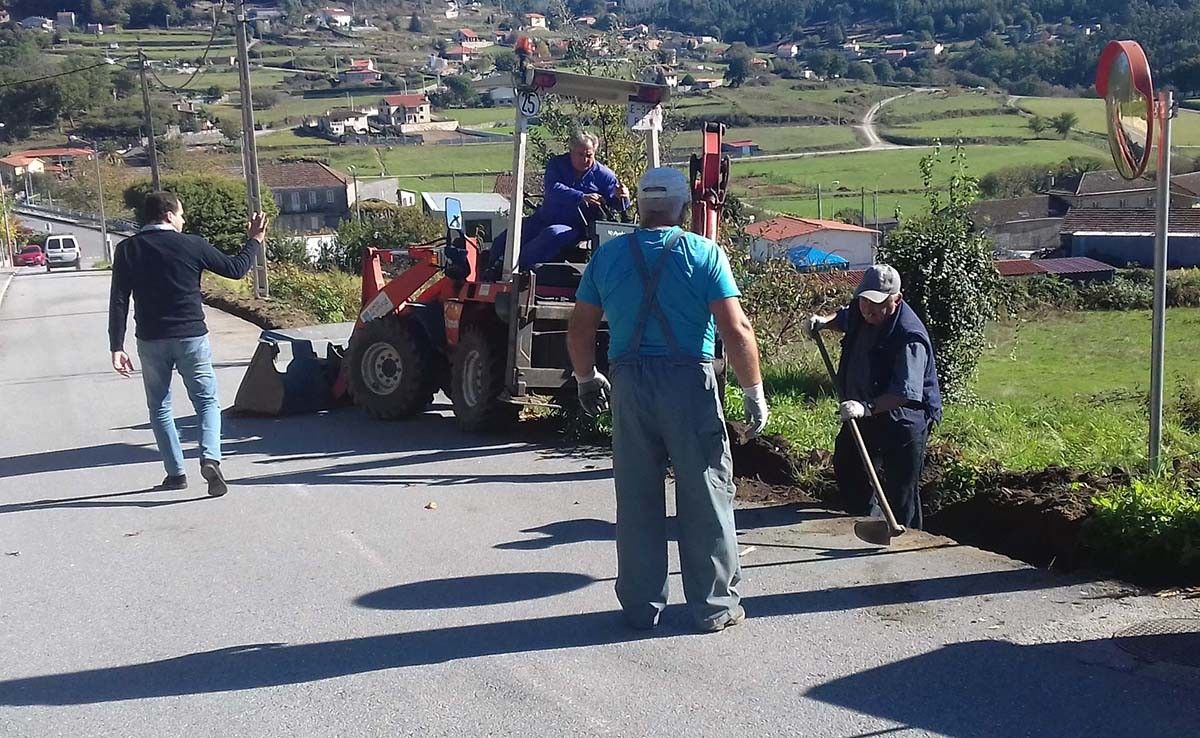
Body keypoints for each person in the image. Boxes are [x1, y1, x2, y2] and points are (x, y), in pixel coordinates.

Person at [567, 167, 768, 633]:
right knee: (705, 494)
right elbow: (736, 330)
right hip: (688, 385)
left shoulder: (608, 256)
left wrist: (584, 378)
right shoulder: (705, 254)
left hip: (629, 386)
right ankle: (714, 606)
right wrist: (753, 392)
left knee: (637, 498)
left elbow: (580, 330)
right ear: (684, 208)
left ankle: (640, 607)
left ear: (640, 206)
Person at [108, 191, 269, 496]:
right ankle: (209, 457)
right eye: (180, 214)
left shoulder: (127, 249)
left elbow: (119, 300)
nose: (183, 220)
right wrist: (254, 240)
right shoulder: (192, 244)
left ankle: (176, 474)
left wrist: (117, 346)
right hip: (191, 337)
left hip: (151, 339)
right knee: (206, 401)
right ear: (169, 214)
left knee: (159, 407)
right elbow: (235, 270)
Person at [805, 265, 942, 530]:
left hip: (903, 418)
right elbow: (846, 317)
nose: (869, 309)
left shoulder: (909, 337)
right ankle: (865, 520)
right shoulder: (862, 310)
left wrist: (866, 408)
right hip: (863, 409)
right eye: (865, 300)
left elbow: (904, 393)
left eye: (878, 303)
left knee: (900, 488)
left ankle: (908, 538)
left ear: (897, 299)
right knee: (847, 464)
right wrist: (824, 322)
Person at [486, 129, 630, 274]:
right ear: (571, 151)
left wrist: (622, 196)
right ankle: (488, 269)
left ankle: (516, 270)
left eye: (589, 155)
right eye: (580, 155)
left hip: (576, 228)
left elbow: (616, 206)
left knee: (552, 234)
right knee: (507, 238)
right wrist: (581, 196)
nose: (585, 160)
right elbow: (553, 189)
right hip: (543, 218)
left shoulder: (605, 176)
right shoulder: (557, 164)